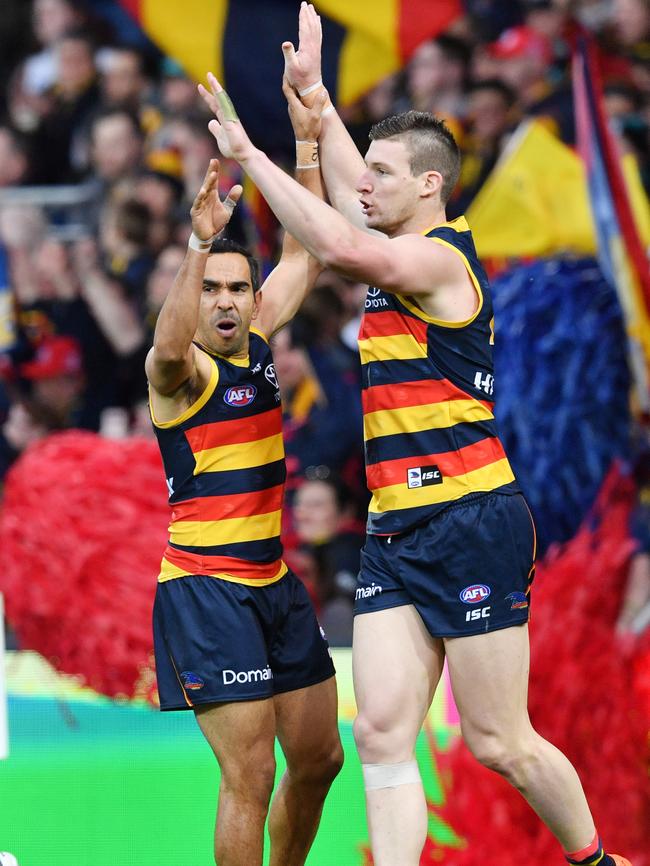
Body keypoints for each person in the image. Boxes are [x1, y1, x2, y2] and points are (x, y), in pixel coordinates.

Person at [196, 5, 633, 866]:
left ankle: (597, 862)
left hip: (473, 520)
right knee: (384, 735)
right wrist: (315, 100)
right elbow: (357, 203)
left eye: (386, 176)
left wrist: (255, 158)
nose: (369, 188)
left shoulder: (439, 263)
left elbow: (336, 240)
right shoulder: (400, 229)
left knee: (500, 744)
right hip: (397, 529)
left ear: (428, 185)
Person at [145, 95, 343, 866]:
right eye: (211, 289)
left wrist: (305, 143)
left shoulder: (258, 338)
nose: (224, 302)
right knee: (251, 774)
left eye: (235, 289)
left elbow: (306, 254)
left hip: (273, 582)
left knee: (321, 759)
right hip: (206, 591)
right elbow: (164, 347)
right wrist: (197, 247)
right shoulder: (180, 374)